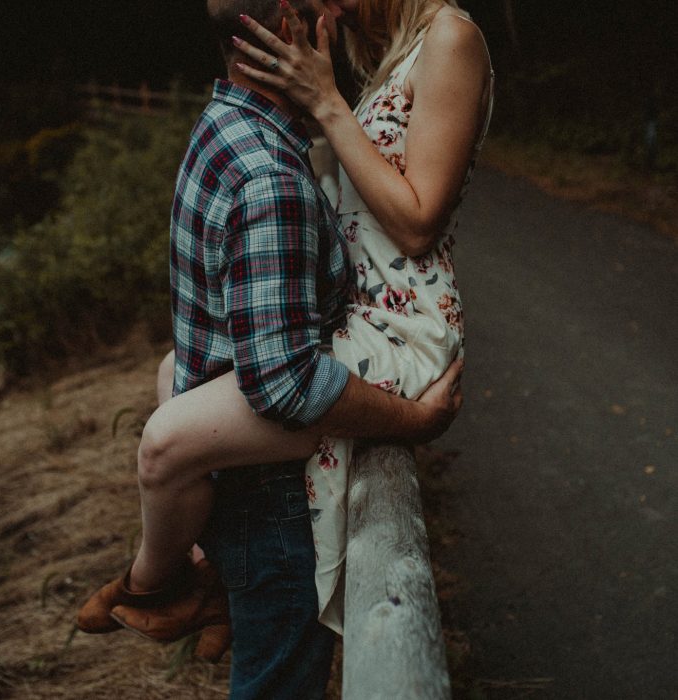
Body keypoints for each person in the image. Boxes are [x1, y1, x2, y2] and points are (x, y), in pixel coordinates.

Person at [77, 0, 465, 696]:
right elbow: (285, 386)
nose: (338, 15)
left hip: (254, 458)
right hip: (272, 502)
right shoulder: (272, 178)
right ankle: (156, 587)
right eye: (322, 11)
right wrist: (419, 422)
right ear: (288, 26)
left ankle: (173, 583)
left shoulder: (222, 129)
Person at [232, 0, 494, 632]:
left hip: (407, 325)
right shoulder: (392, 51)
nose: (330, 5)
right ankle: (230, 587)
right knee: (200, 371)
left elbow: (415, 223)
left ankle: (200, 588)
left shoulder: (452, 38)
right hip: (362, 317)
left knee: (222, 407)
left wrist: (328, 104)